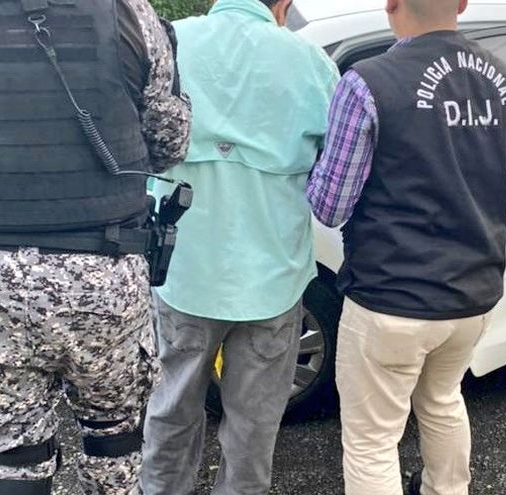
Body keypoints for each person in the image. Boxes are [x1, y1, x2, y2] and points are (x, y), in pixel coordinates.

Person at [0, 0, 191, 492]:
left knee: (14, 456)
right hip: (103, 279)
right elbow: (169, 143)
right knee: (114, 441)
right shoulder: (131, 11)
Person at [307, 0, 506, 493]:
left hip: (390, 297)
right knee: (443, 401)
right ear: (462, 3)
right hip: (472, 295)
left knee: (372, 439)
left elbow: (331, 205)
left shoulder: (367, 84)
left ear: (391, 3)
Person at [141, 0, 338, 493]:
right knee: (254, 428)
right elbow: (333, 164)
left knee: (170, 411)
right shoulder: (311, 62)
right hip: (273, 276)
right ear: (282, 4)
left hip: (184, 269)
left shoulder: (168, 42)